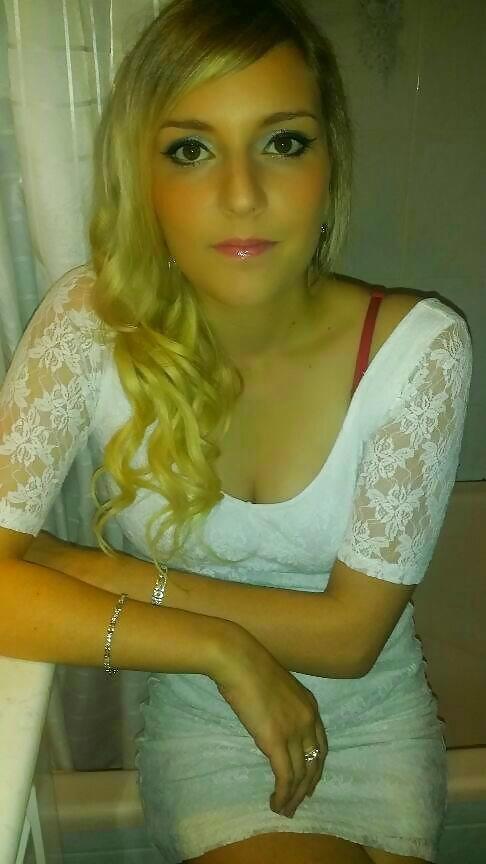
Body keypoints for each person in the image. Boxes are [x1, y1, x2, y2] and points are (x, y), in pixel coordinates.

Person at [0, 0, 473, 862]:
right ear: (141, 175)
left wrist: (97, 572)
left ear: (329, 161)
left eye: (283, 142)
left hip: (380, 733)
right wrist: (219, 648)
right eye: (191, 150)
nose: (243, 195)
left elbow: (349, 641)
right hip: (214, 734)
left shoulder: (418, 348)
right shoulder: (90, 322)